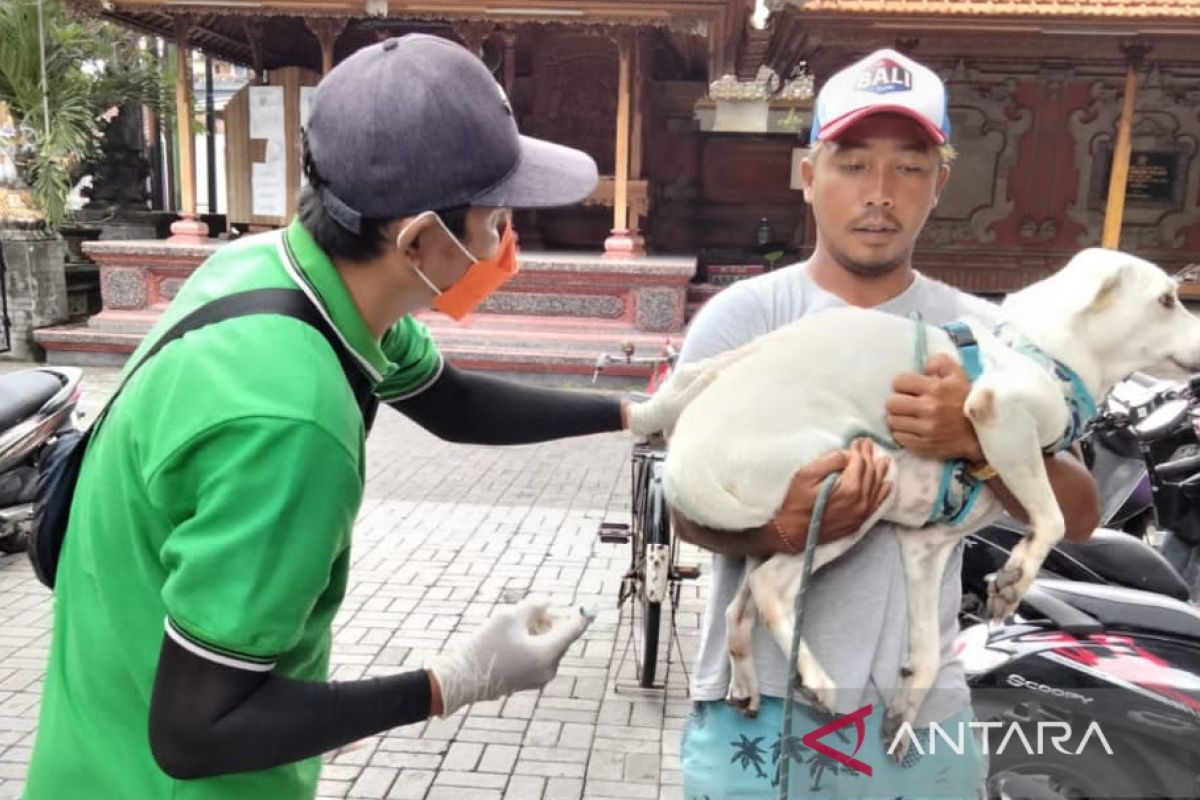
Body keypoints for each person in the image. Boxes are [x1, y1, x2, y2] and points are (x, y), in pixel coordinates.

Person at [25, 33, 656, 799]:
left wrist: (637, 412)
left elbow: (449, 404)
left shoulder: (274, 274)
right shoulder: (292, 424)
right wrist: (448, 683)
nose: (504, 242)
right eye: (496, 219)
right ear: (422, 239)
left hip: (88, 754)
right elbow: (196, 733)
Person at [672, 49, 1101, 798]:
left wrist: (980, 443)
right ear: (809, 175)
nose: (879, 193)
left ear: (940, 182)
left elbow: (1082, 513)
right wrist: (783, 529)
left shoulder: (983, 336)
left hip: (918, 714)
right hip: (759, 711)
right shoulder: (746, 319)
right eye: (852, 163)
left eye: (908, 167)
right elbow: (682, 507)